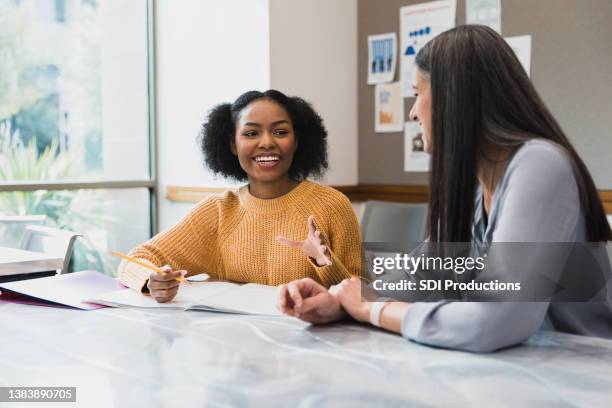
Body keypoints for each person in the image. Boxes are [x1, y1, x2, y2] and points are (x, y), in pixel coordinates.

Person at [278, 25, 612, 352]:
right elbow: (419, 276)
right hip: (519, 367)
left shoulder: (541, 165)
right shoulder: (473, 188)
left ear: (455, 97)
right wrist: (338, 300)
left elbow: (496, 320)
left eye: (416, 93)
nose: (412, 113)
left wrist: (372, 310)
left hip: (580, 375)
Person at [118, 90, 361, 302]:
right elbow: (135, 259)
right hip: (236, 345)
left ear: (297, 142)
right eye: (251, 133)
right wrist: (153, 281)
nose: (266, 142)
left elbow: (366, 291)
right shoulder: (219, 211)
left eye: (280, 132)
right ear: (232, 145)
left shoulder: (332, 205)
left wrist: (324, 263)